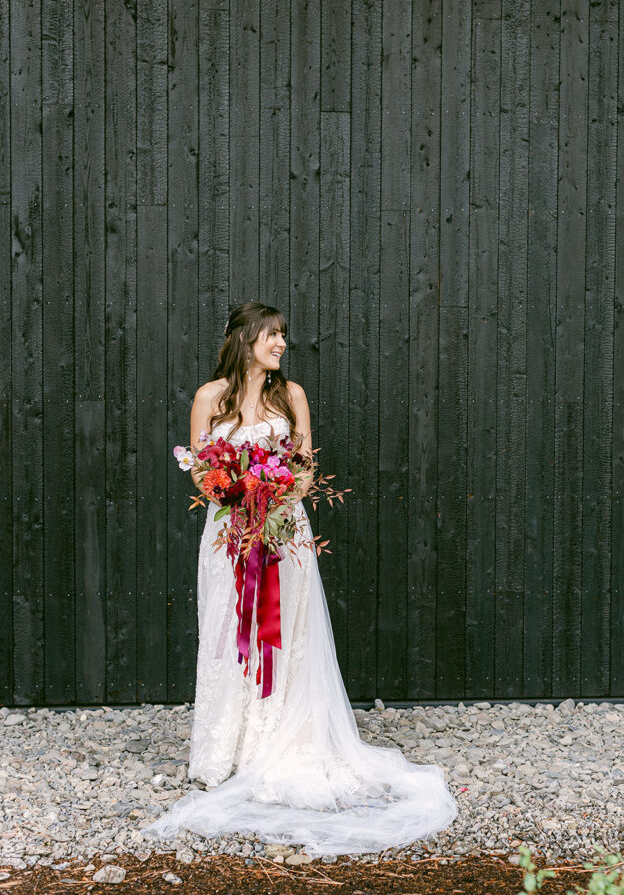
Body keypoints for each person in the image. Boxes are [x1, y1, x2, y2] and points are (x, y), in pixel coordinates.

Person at [141, 301, 457, 855]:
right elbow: (199, 471)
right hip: (227, 537)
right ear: (245, 340)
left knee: (288, 634)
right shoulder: (209, 398)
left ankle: (284, 740)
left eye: (284, 335)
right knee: (227, 634)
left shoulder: (291, 396)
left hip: (284, 530)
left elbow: (306, 468)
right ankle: (228, 749)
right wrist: (232, 493)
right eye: (272, 334)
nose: (281, 343)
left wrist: (276, 496)